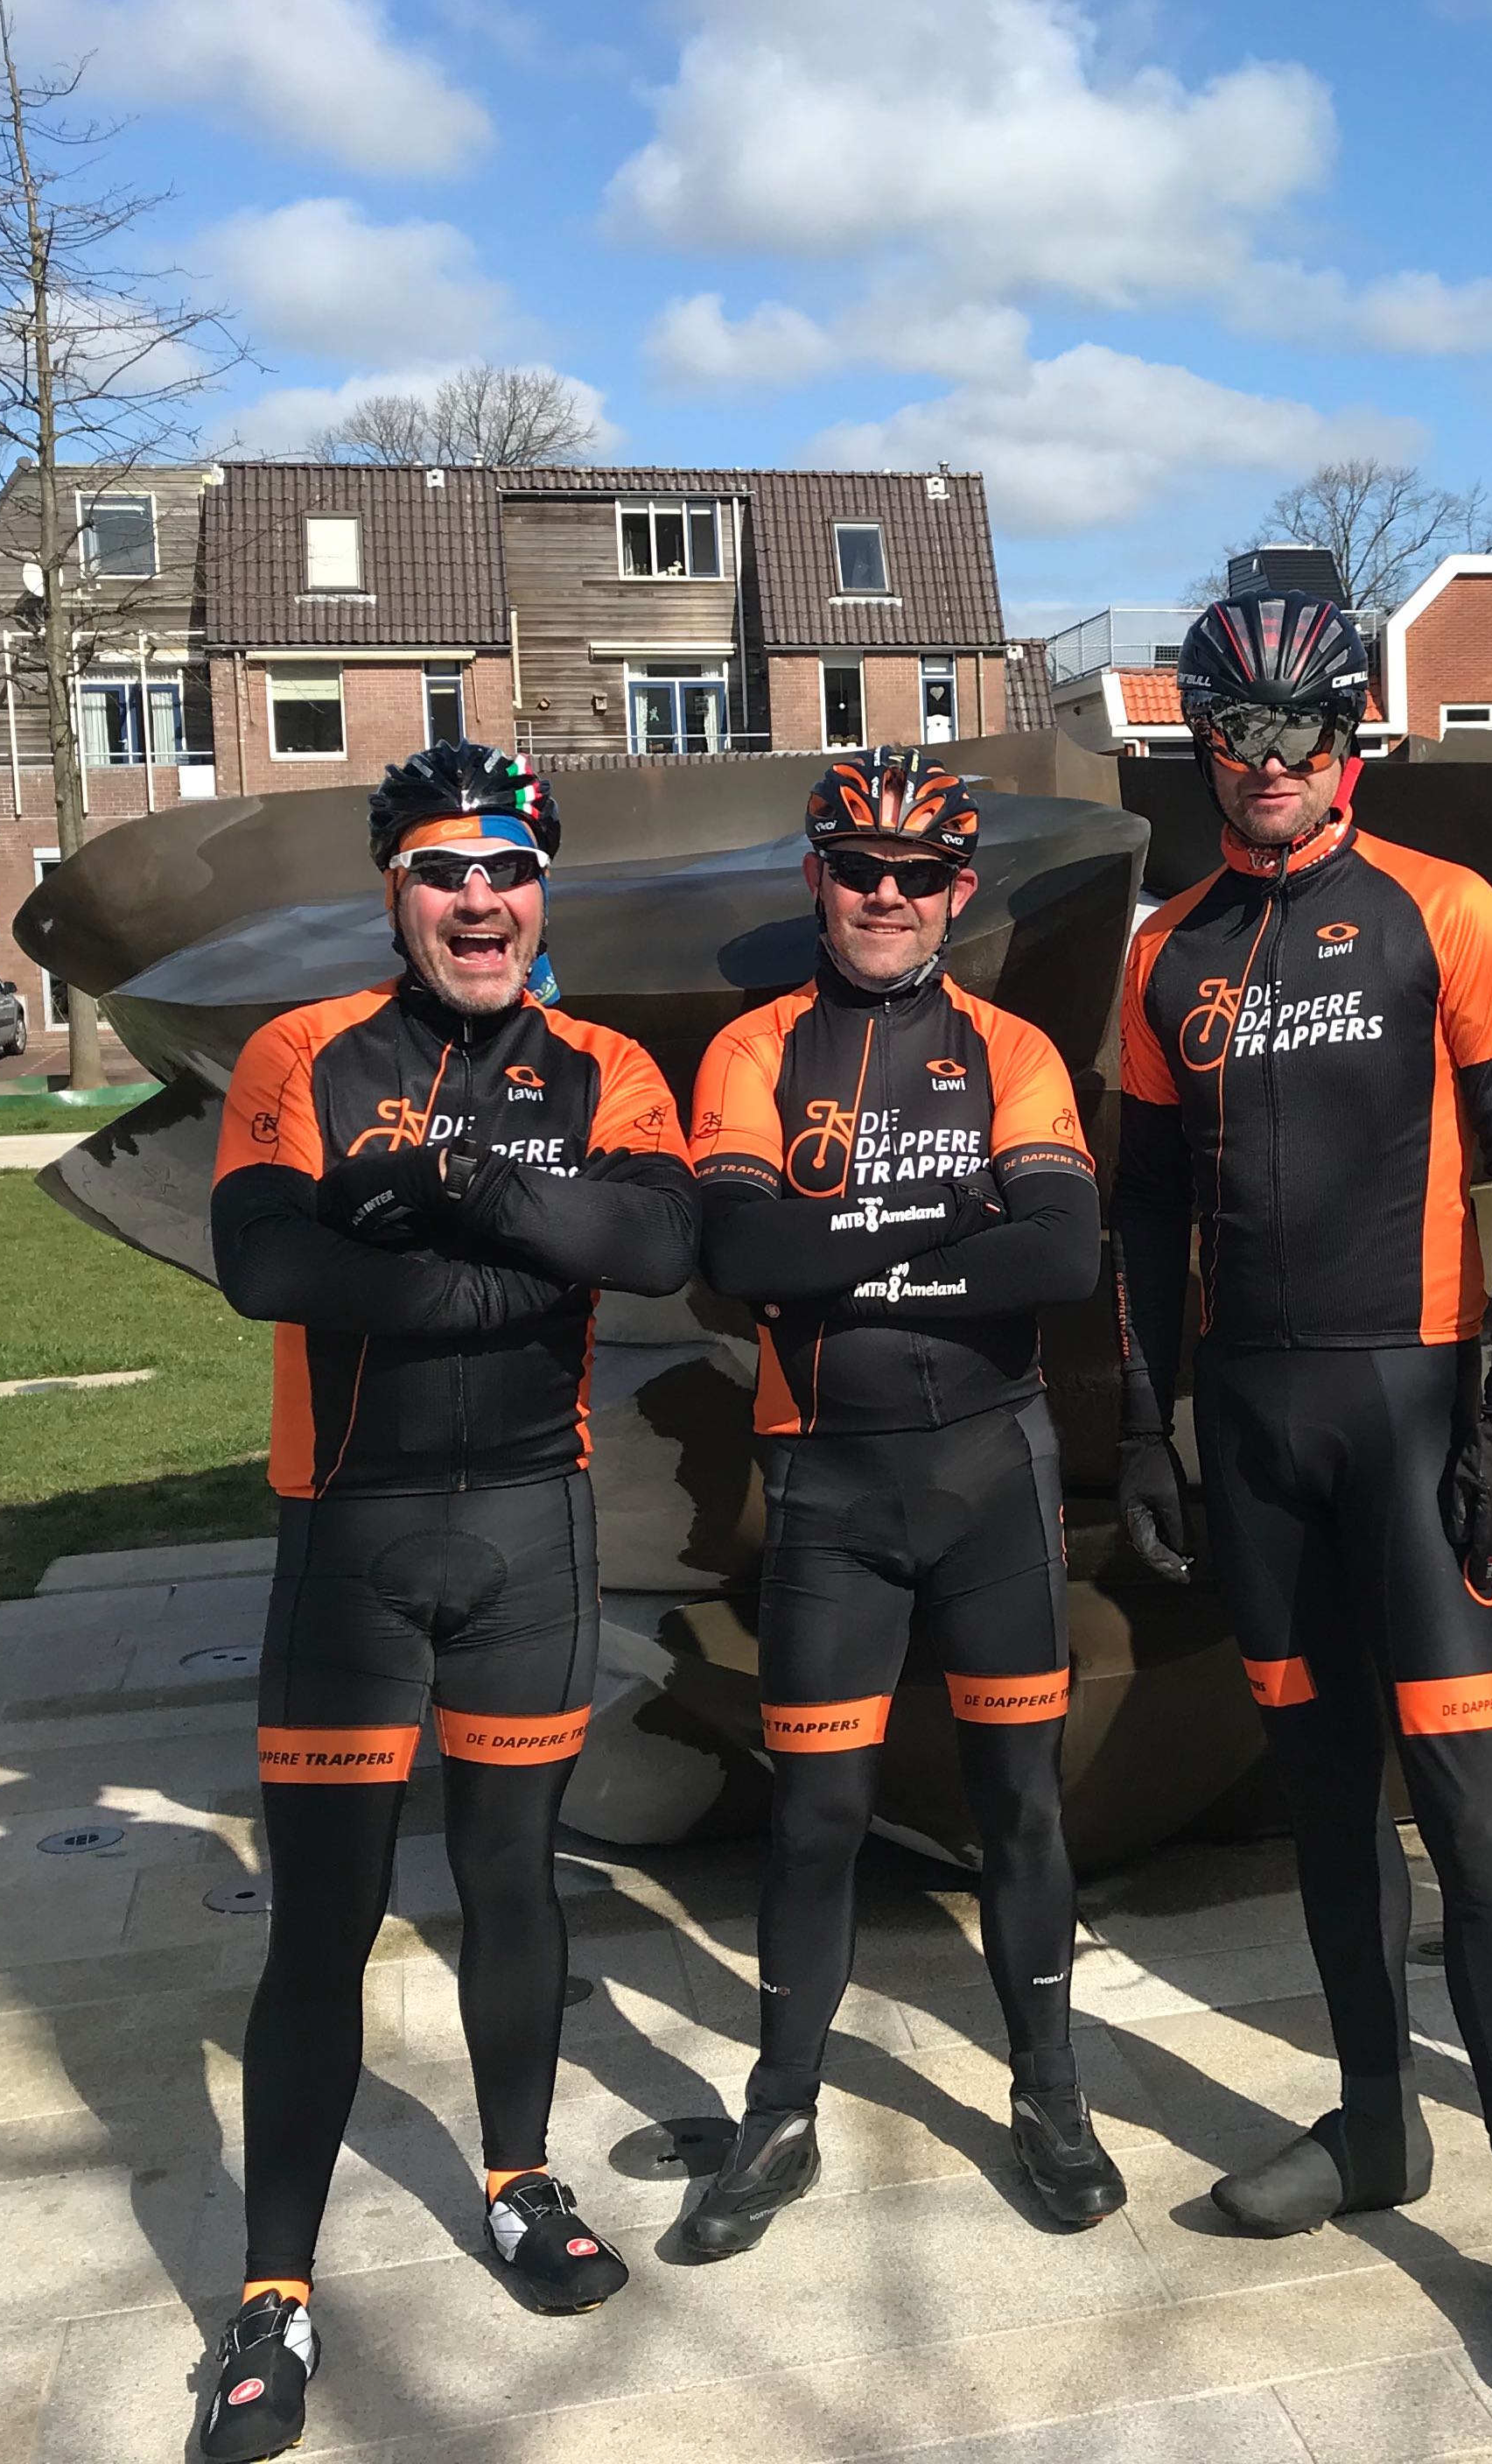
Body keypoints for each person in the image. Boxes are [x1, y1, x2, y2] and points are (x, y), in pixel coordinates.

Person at [1110, 591, 1492, 2396]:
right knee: (1321, 1807)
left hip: (1412, 1420)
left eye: (1300, 732)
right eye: (1235, 737)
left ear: (1351, 742)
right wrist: (1147, 1426)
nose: (1268, 765)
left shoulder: (1440, 908)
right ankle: (1378, 2121)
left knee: (1472, 1826)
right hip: (1255, 1432)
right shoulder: (1167, 948)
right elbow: (1145, 1204)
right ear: (1201, 751)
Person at [200, 743, 704, 2462]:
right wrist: (514, 1267)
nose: (478, 900)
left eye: (508, 870)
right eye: (441, 870)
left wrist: (449, 1196)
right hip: (351, 1542)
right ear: (394, 891)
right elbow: (268, 1263)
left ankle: (518, 2180)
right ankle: (274, 2293)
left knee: (511, 1886)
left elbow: (656, 1249)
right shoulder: (304, 1053)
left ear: (540, 893)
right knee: (322, 1925)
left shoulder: (607, 1068)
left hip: (529, 1541)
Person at [672, 748, 1124, 2257]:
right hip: (831, 1485)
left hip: (994, 1475)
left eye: (915, 876)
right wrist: (948, 1214)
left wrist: (848, 1254)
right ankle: (780, 2108)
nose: (885, 896)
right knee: (817, 1815)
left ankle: (1050, 2093)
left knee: (1021, 1806)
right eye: (859, 870)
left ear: (957, 893)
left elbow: (1059, 1257)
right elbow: (743, 1259)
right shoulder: (753, 1051)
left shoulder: (1011, 1049)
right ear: (818, 880)